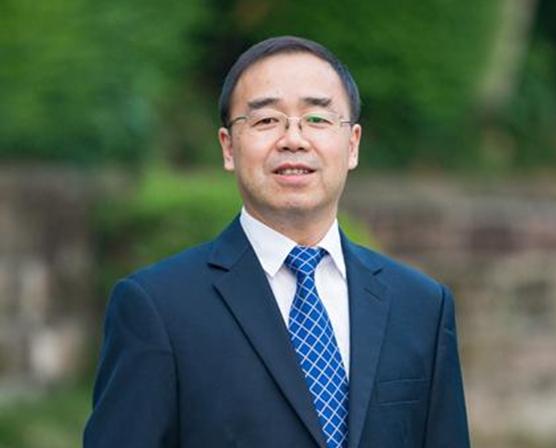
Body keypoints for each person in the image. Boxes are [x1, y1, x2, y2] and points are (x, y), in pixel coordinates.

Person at [84, 36, 470, 448]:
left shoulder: (421, 306)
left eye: (317, 119)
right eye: (266, 120)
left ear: (352, 144)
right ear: (228, 147)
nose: (293, 139)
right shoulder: (157, 307)